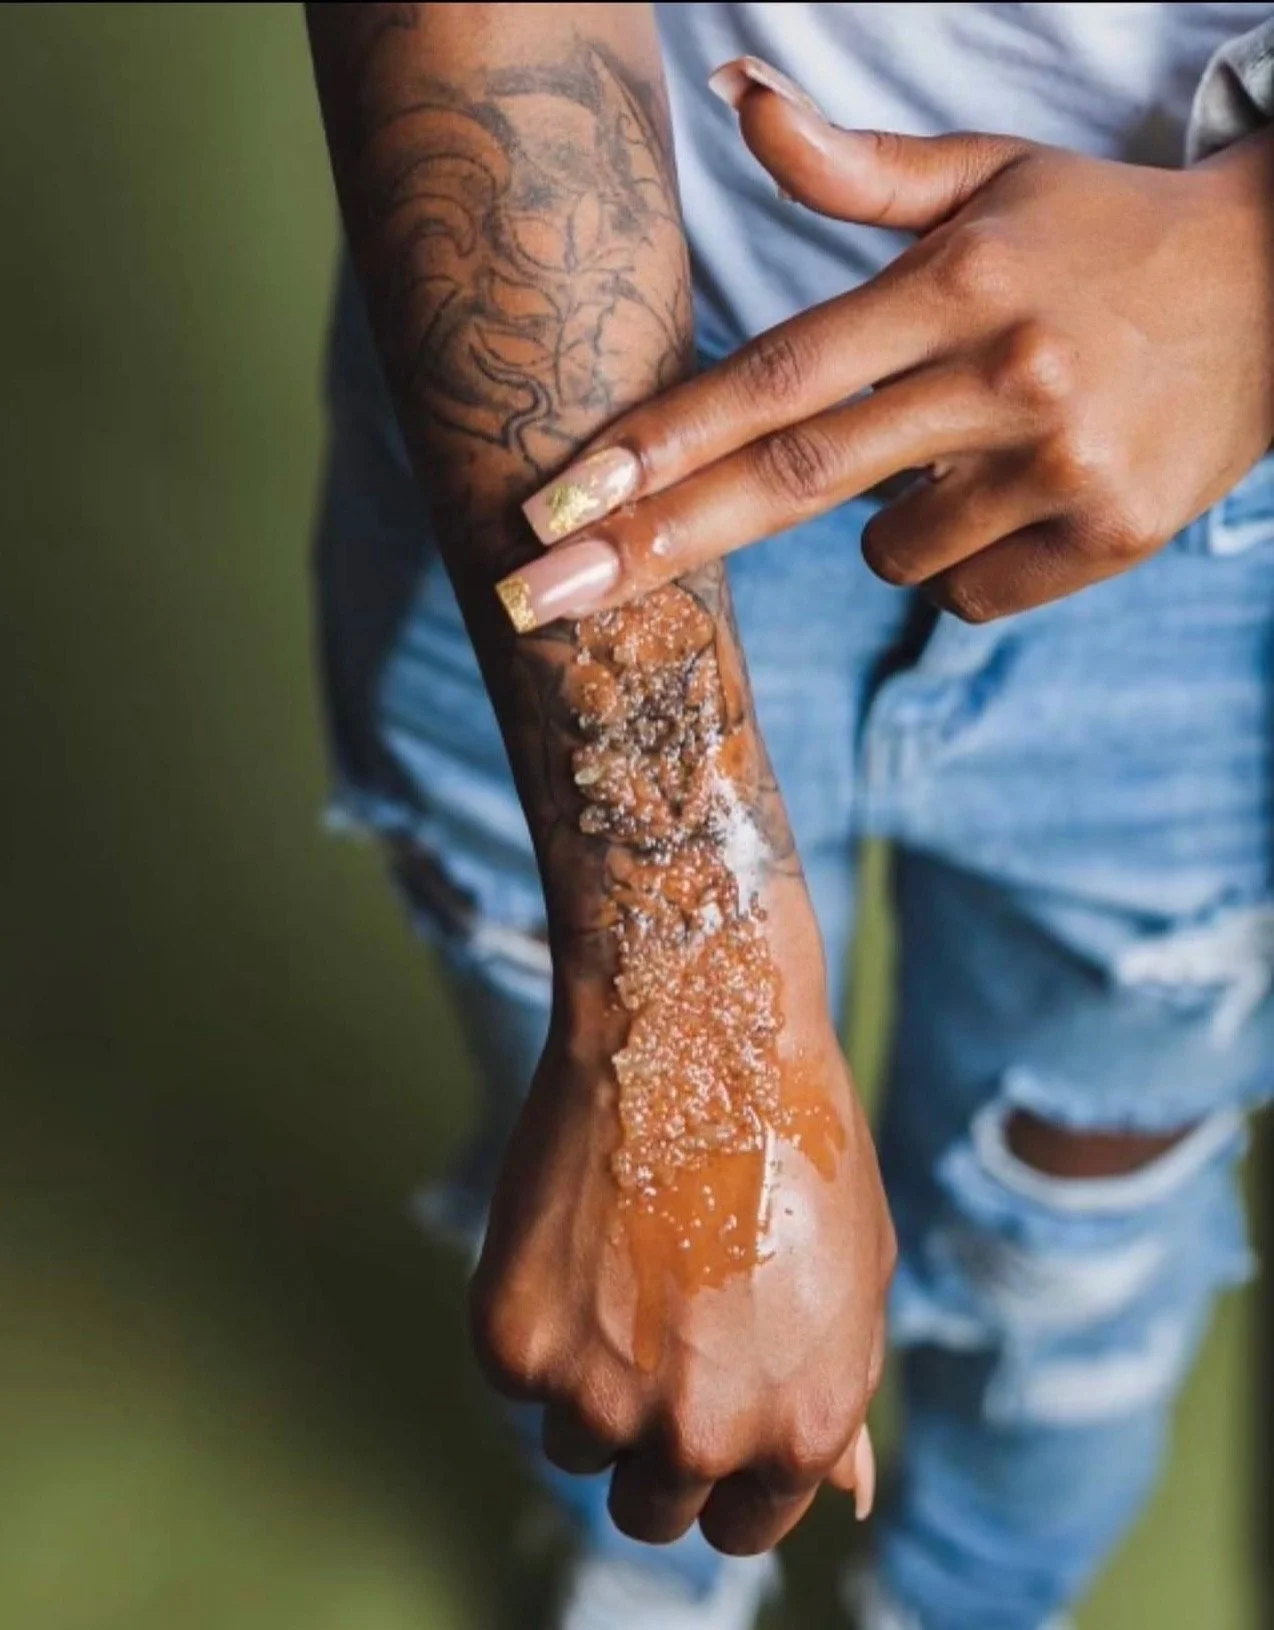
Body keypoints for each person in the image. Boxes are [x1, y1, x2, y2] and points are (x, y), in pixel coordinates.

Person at [305, 6, 1274, 1627]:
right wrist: (684, 989)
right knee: (629, 1262)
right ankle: (653, 1579)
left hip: (1220, 523)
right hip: (574, 396)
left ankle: (970, 1596)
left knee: (1078, 1241)